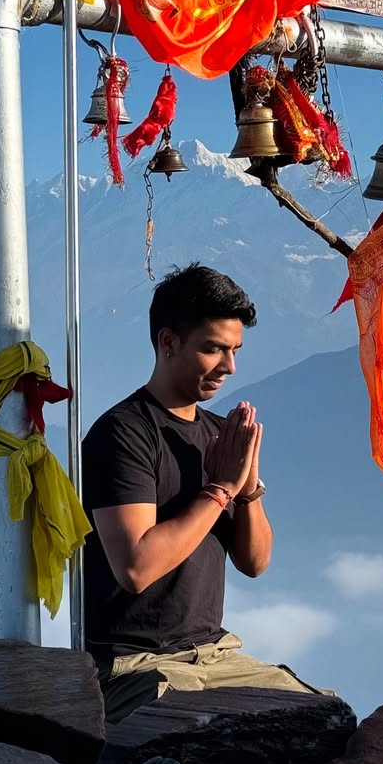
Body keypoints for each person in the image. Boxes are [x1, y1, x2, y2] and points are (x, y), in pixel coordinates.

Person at [81, 262, 325, 723]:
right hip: (134, 667)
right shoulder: (123, 434)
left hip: (213, 655)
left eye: (234, 350)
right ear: (168, 342)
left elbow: (255, 563)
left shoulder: (219, 434)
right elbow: (136, 568)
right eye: (213, 349)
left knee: (325, 716)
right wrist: (219, 489)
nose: (228, 367)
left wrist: (248, 489)